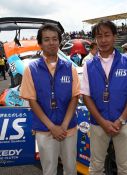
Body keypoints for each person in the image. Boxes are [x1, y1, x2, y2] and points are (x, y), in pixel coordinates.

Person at [81, 20, 127, 175]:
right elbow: (86, 96)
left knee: (125, 168)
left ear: (114, 36)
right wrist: (102, 122)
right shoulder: (88, 65)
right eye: (99, 36)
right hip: (98, 124)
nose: (103, 40)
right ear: (95, 39)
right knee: (95, 167)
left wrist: (121, 119)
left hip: (124, 123)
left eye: (107, 35)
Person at [20, 24, 80, 175]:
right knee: (49, 170)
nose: (51, 42)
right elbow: (32, 101)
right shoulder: (31, 69)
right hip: (44, 129)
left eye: (55, 39)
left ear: (59, 42)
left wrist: (64, 125)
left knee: (71, 169)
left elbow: (75, 97)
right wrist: (52, 127)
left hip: (69, 129)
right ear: (40, 43)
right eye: (46, 39)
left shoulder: (69, 67)